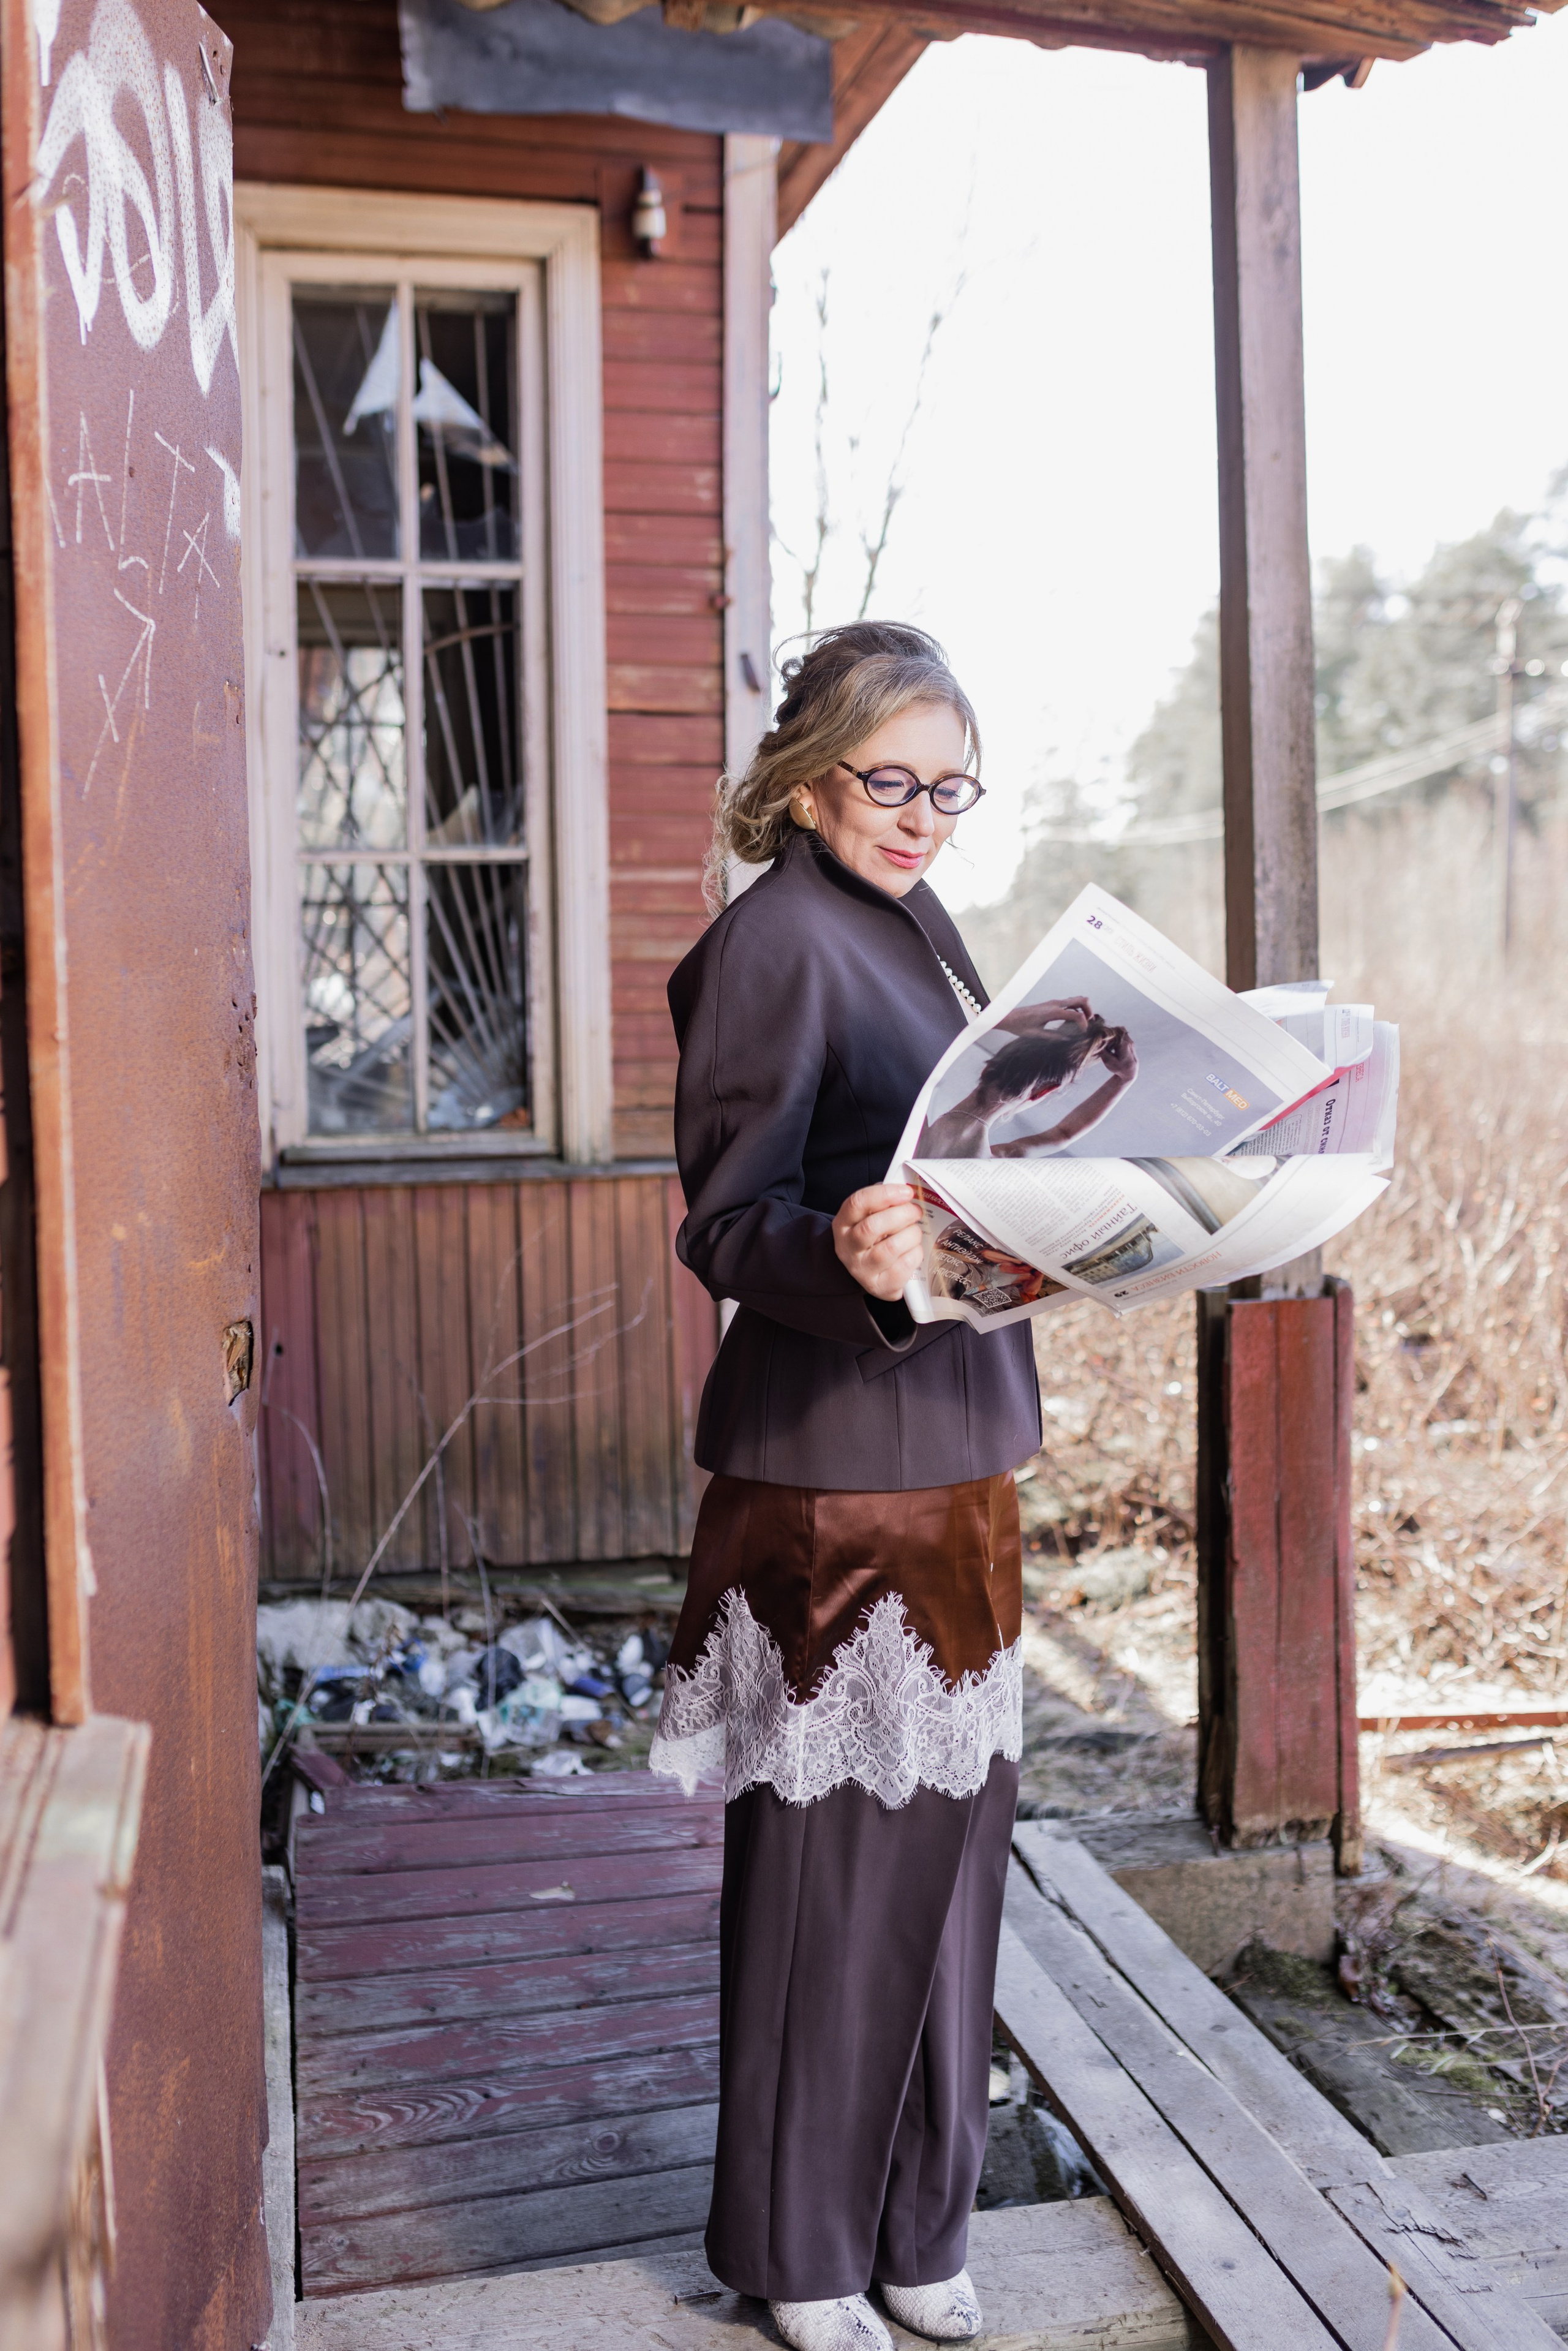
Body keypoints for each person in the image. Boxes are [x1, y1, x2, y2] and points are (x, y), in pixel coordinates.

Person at [648, 623, 1042, 2351]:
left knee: (954, 1873)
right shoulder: (775, 942)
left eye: (950, 787)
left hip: (960, 1455)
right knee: (833, 1880)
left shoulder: (923, 930)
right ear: (814, 773)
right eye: (893, 780)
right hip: (829, 1475)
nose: (923, 815)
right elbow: (730, 1226)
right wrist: (850, 1252)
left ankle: (914, 2218)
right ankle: (803, 2246)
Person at [917, 1009, 1137, 1159]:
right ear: (1042, 1092)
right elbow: (1063, 1135)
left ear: (988, 1067)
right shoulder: (988, 1161)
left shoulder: (918, 1108)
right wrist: (1125, 1080)